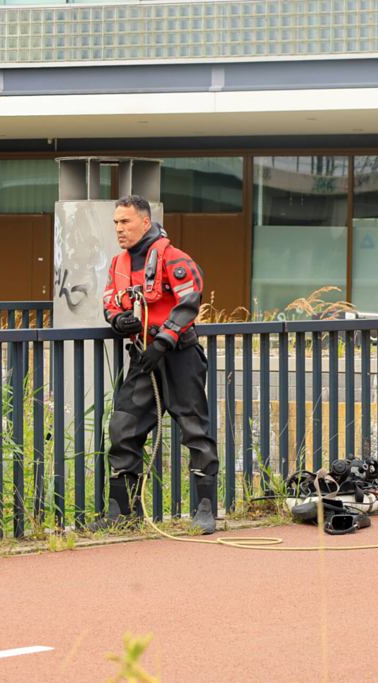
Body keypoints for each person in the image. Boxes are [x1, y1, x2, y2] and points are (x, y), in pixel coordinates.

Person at [88, 195, 219, 534]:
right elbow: (109, 303)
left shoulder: (174, 258)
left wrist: (163, 342)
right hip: (142, 357)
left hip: (179, 357)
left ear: (145, 222)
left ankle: (205, 511)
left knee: (194, 430)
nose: (119, 228)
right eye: (116, 222)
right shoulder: (118, 264)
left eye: (125, 222)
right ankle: (122, 514)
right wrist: (120, 322)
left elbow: (190, 300)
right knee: (122, 428)